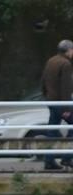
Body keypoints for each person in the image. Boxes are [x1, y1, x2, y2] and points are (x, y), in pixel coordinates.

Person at [43, 40, 73, 170]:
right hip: (61, 103)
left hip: (51, 100)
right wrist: (67, 107)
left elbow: (43, 80)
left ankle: (49, 161)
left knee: (52, 131)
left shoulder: (51, 61)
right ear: (68, 50)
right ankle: (67, 158)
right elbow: (66, 87)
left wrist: (46, 96)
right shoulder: (65, 63)